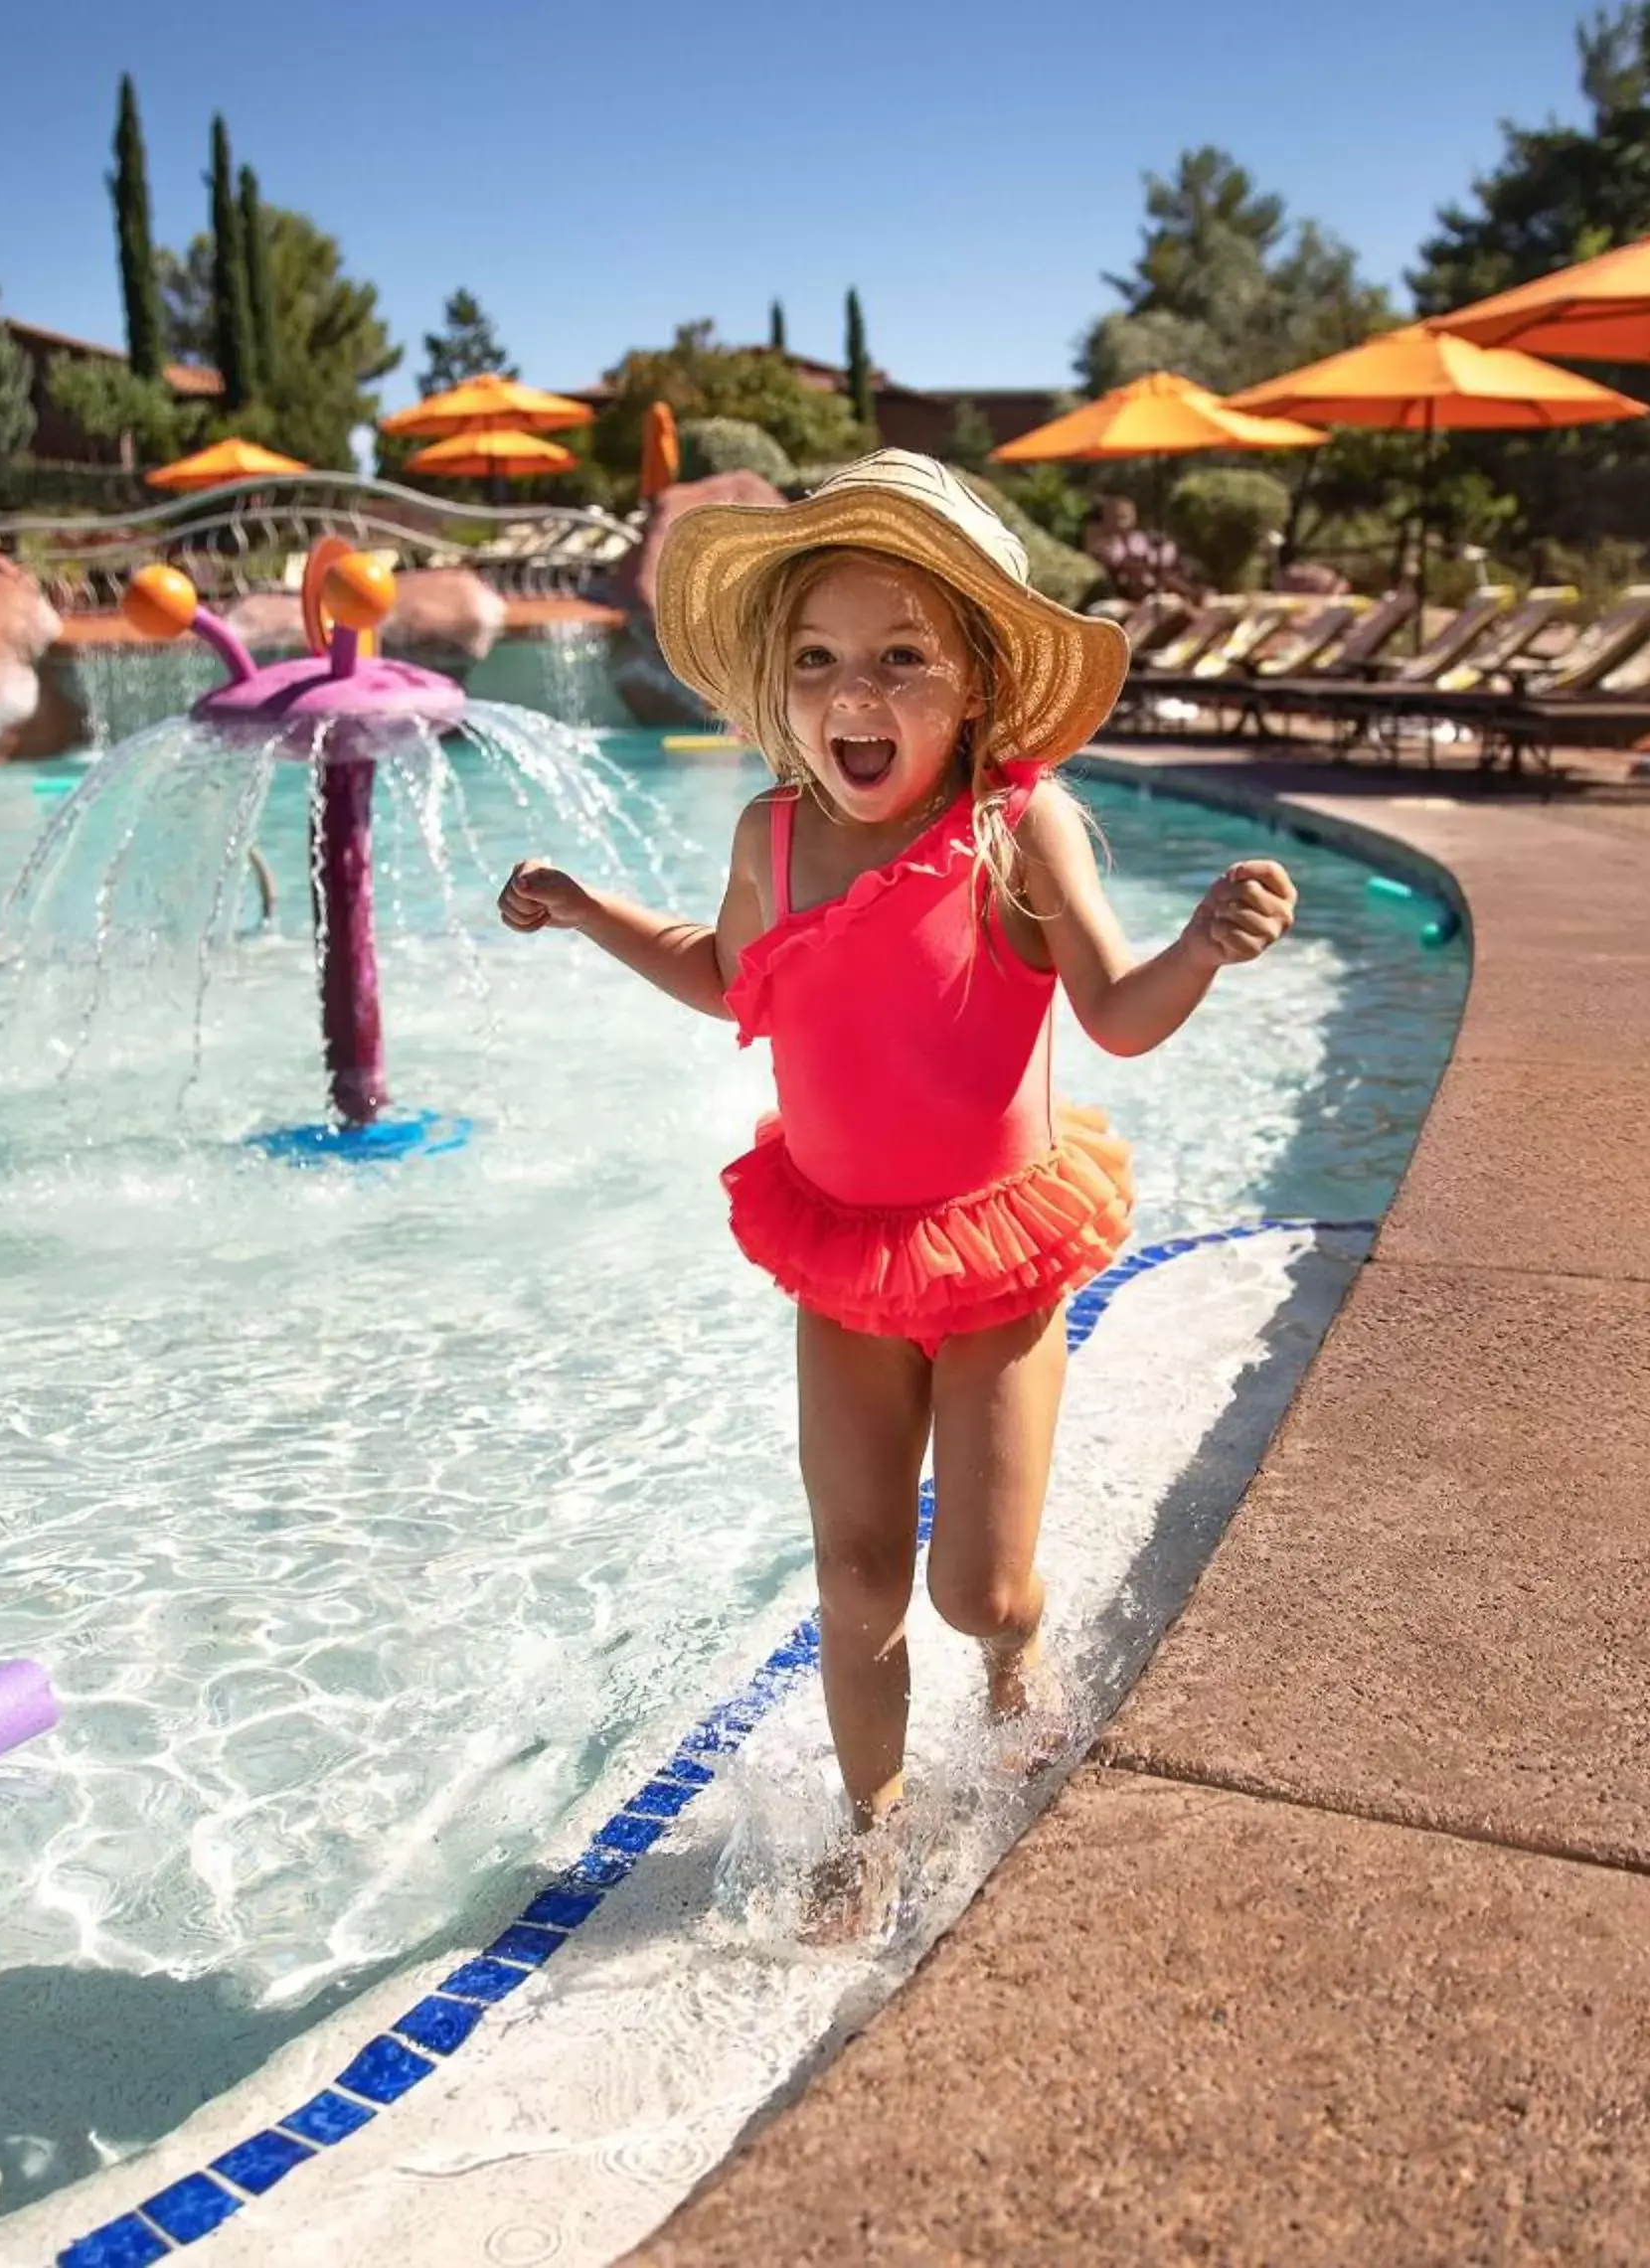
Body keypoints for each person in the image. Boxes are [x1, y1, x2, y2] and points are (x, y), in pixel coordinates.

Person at [497, 452, 1296, 1937]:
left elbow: (1113, 1013)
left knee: (972, 1591)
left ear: (979, 685)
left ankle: (1019, 1645)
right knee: (857, 1578)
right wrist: (592, 906)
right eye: (818, 661)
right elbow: (727, 975)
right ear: (780, 689)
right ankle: (871, 1825)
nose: (852, 692)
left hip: (997, 1261)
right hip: (845, 1260)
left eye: (900, 658)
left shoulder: (1014, 832)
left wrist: (1199, 944)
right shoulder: (774, 839)